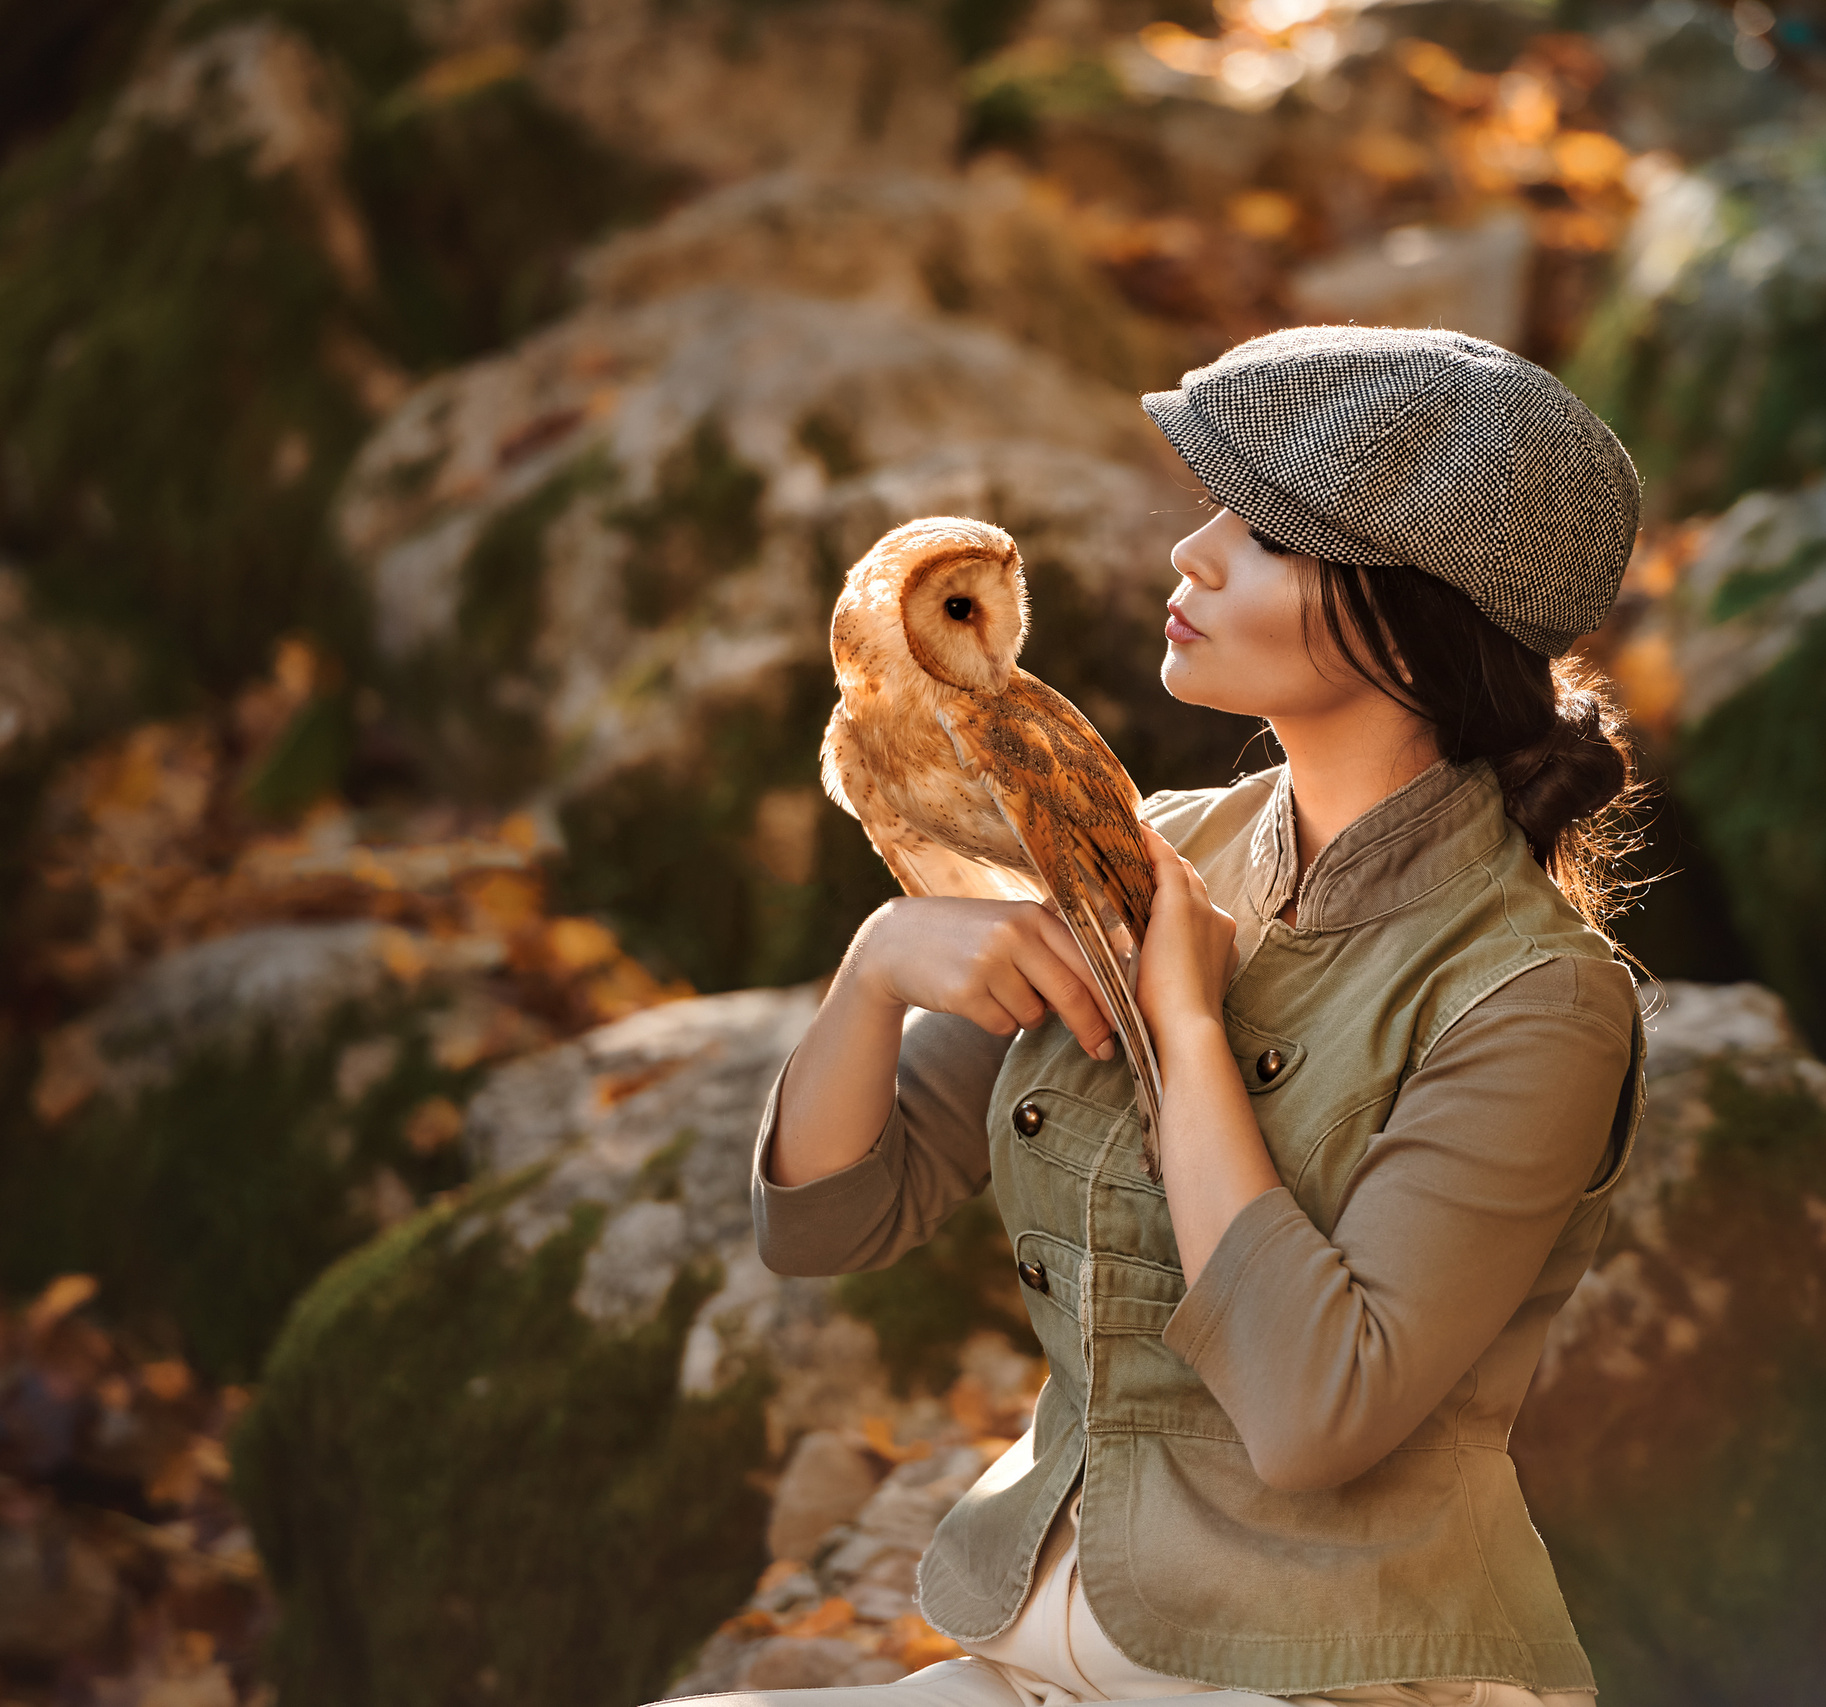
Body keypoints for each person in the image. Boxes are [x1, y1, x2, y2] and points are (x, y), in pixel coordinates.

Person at [669, 326, 1649, 1707]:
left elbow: (1317, 1414)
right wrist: (876, 969)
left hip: (1338, 1678)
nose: (1192, 552)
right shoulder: (1153, 850)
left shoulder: (1539, 998)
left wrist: (1186, 1031)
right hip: (1037, 1661)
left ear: (1406, 615)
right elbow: (829, 1224)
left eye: (1261, 529)